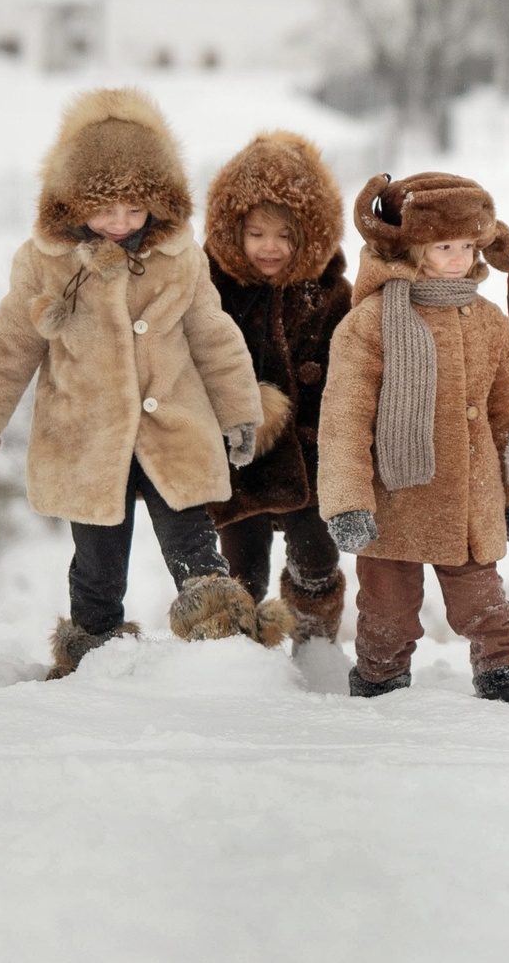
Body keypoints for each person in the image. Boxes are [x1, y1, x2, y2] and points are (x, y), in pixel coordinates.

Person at [0, 87, 286, 678]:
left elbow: (214, 336)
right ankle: (93, 651)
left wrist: (239, 412)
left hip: (172, 431)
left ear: (158, 203)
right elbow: (12, 338)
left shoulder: (179, 259)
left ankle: (226, 655)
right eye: (104, 210)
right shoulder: (47, 262)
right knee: (97, 562)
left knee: (193, 543)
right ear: (72, 203)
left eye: (135, 210)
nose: (120, 223)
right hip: (86, 437)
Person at [317, 172, 509, 704]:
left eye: (467, 245)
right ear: (413, 247)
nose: (459, 257)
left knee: (485, 606)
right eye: (444, 246)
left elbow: (506, 416)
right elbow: (345, 420)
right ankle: (379, 684)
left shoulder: (489, 322)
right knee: (387, 614)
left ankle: (506, 678)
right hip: (392, 501)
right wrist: (347, 502)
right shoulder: (370, 322)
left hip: (469, 500)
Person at [201, 131, 354, 646]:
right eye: (257, 234)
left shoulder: (329, 292)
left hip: (312, 455)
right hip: (237, 457)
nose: (271, 248)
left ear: (309, 235)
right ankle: (237, 654)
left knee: (317, 559)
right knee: (241, 569)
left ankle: (315, 645)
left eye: (286, 236)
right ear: (233, 231)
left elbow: (350, 369)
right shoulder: (211, 289)